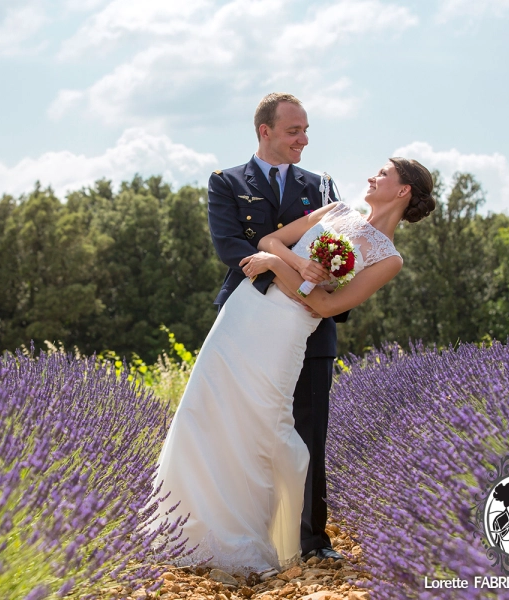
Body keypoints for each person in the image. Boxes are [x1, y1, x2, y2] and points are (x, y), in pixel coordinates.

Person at [149, 144, 436, 573]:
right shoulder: (334, 209)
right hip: (243, 313)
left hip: (286, 332)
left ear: (402, 191)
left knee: (265, 423)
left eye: (383, 173)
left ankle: (251, 538)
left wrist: (275, 265)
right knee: (205, 407)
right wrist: (297, 263)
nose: (373, 177)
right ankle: (181, 529)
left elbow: (323, 307)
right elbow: (268, 240)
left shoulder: (389, 259)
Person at [207, 93, 349, 563]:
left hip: (311, 326)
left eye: (306, 130)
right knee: (246, 427)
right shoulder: (226, 182)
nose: (304, 140)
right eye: (294, 131)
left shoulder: (323, 186)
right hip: (250, 321)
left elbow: (339, 252)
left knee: (310, 431)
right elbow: (233, 249)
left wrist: (323, 281)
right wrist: (293, 277)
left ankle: (311, 542)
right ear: (264, 131)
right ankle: (249, 535)